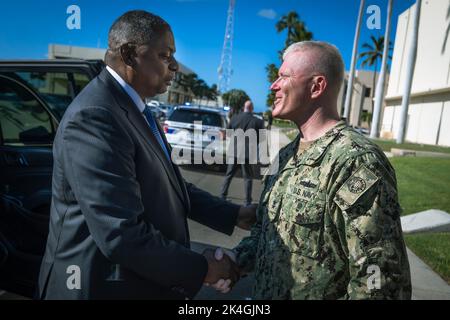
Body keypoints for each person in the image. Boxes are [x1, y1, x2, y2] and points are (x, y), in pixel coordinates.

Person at [37, 10, 255, 300]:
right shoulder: (96, 116)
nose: (175, 66)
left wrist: (235, 214)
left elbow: (171, 187)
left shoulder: (139, 110)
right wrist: (204, 269)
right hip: (97, 286)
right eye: (165, 55)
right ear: (129, 55)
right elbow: (120, 234)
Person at [211, 41, 412, 299]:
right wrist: (236, 259)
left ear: (316, 86)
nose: (273, 85)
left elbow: (380, 280)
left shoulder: (355, 161)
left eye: (283, 76)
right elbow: (265, 231)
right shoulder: (285, 155)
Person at [220, 100, 265, 206]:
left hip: (234, 151)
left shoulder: (235, 118)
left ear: (244, 107)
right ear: (252, 109)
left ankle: (222, 196)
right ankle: (247, 202)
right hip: (248, 153)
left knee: (229, 175)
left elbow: (229, 134)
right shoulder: (258, 122)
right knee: (248, 178)